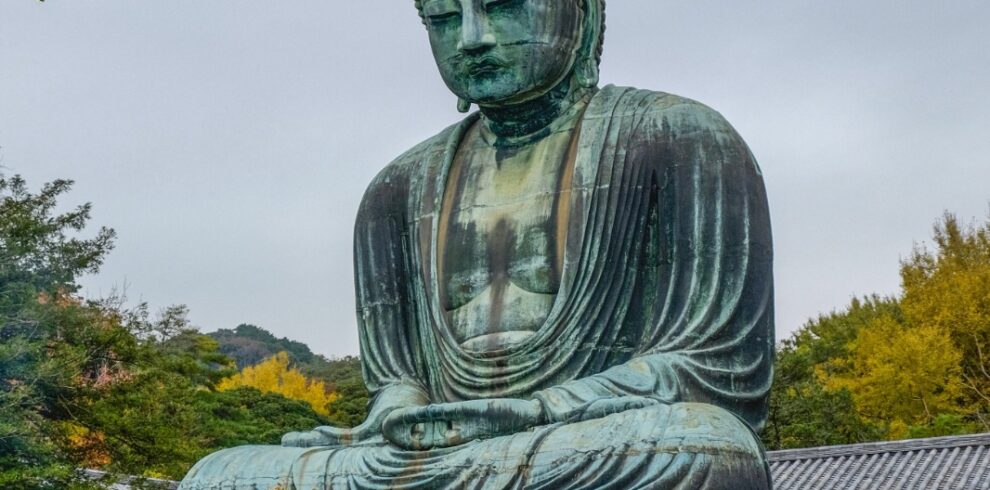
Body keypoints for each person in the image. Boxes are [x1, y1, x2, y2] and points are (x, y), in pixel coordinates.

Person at [180, 0, 774, 488]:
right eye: (442, 17)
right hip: (435, 453)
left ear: (583, 13)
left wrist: (542, 409)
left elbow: (715, 370)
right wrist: (398, 415)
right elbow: (398, 380)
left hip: (581, 437)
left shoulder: (681, 138)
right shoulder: (397, 188)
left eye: (504, 7)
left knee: (706, 452)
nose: (471, 39)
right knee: (218, 476)